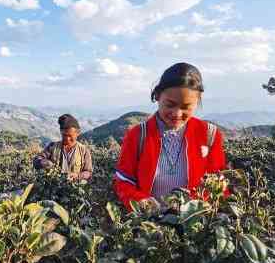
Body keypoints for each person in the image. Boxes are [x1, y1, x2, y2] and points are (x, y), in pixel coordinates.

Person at [113, 62, 229, 211]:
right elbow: (123, 181)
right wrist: (141, 202)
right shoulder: (137, 135)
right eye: (170, 105)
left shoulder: (209, 135)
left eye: (186, 107)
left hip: (195, 224)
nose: (177, 114)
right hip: (149, 226)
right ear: (157, 96)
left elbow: (218, 185)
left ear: (197, 101)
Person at [33, 114, 93, 181]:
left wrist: (78, 176)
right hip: (53, 188)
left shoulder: (84, 151)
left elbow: (88, 173)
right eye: (64, 135)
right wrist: (44, 162)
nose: (67, 139)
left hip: (73, 189)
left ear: (78, 133)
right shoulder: (52, 146)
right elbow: (36, 160)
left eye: (70, 136)